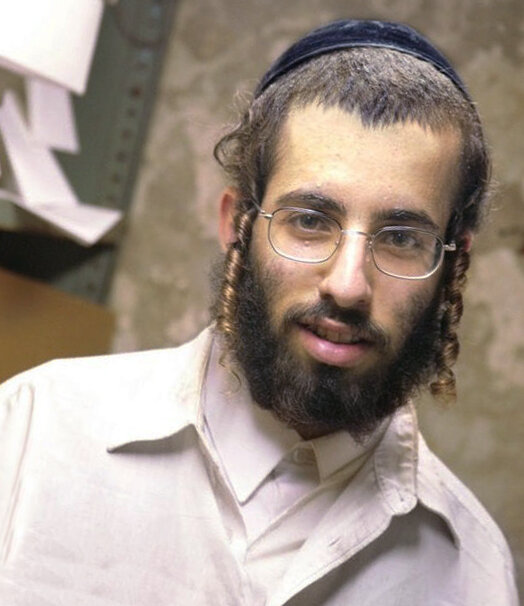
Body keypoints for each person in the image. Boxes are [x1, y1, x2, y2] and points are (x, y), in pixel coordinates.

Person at [0, 19, 518, 606]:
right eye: (310, 221)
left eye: (401, 238)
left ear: (452, 263)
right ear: (236, 225)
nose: (348, 286)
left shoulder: (474, 575)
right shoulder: (32, 437)